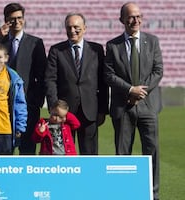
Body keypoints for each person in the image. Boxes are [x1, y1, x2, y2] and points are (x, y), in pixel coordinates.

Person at [104, 3, 163, 200]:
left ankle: (152, 194)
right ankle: (124, 194)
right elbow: (109, 75)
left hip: (148, 106)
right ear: (122, 20)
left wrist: (140, 92)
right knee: (122, 154)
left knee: (152, 151)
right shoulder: (113, 45)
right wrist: (130, 90)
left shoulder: (152, 41)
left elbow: (158, 71)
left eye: (138, 16)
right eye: (130, 17)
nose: (135, 20)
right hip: (123, 107)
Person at [0, 3, 47, 155]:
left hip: (26, 104)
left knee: (27, 148)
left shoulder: (35, 43)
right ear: (6, 20)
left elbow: (42, 75)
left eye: (19, 18)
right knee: (3, 151)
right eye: (12, 19)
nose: (17, 22)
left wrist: (36, 101)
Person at [45, 13, 108, 155]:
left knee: (90, 156)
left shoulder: (96, 50)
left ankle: (90, 178)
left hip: (90, 111)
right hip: (64, 113)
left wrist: (102, 110)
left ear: (85, 28)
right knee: (63, 154)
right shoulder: (56, 50)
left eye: (76, 27)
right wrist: (55, 109)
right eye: (69, 27)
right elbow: (50, 80)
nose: (72, 30)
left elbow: (102, 83)